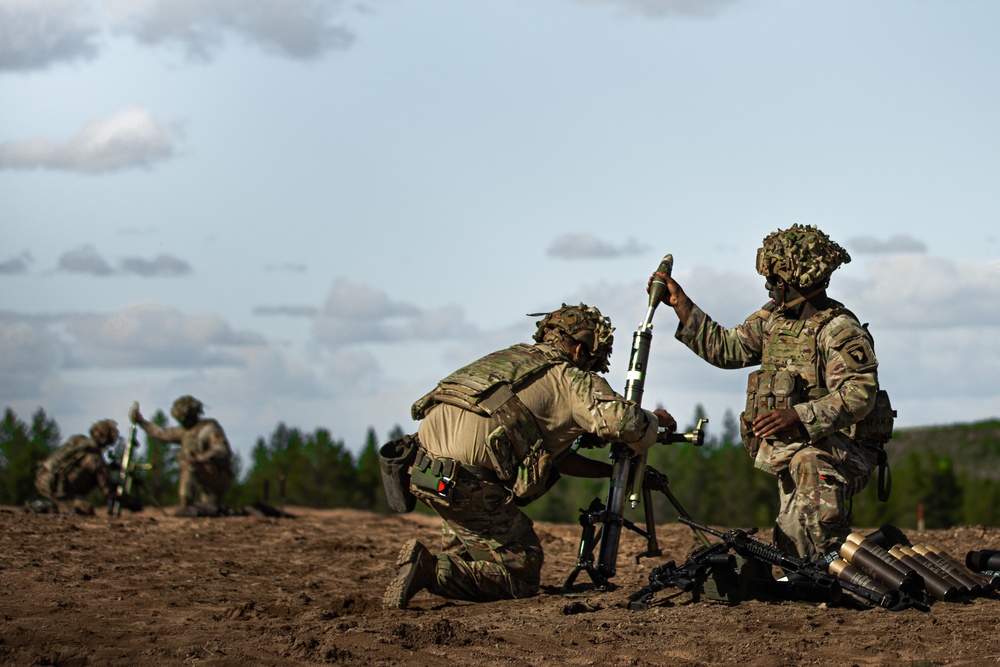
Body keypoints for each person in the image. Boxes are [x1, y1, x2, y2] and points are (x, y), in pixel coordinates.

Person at [383, 303, 676, 610]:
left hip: (422, 469)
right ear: (578, 349)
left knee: (474, 533)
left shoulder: (510, 358)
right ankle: (430, 570)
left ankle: (455, 564)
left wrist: (608, 472)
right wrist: (654, 418)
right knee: (523, 569)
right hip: (467, 481)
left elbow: (558, 459)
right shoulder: (570, 377)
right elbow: (625, 423)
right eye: (592, 360)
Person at [650, 224, 881, 561]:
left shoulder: (839, 330)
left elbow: (860, 394)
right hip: (791, 453)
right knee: (792, 540)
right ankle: (822, 567)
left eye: (776, 281)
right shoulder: (773, 321)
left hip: (841, 455)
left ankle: (837, 567)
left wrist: (798, 415)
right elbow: (726, 348)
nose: (769, 287)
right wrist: (681, 304)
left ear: (798, 282)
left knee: (810, 471)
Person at [129, 396, 234, 516]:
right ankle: (200, 508)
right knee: (210, 509)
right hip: (205, 481)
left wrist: (199, 459)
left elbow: (221, 450)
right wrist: (142, 422)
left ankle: (185, 506)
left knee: (189, 466)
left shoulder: (209, 429)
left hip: (218, 477)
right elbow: (161, 434)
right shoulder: (185, 431)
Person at [34, 419, 119, 515]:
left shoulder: (78, 440)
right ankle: (49, 507)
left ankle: (48, 504)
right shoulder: (95, 459)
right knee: (85, 509)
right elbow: (106, 489)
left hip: (42, 479)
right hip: (57, 489)